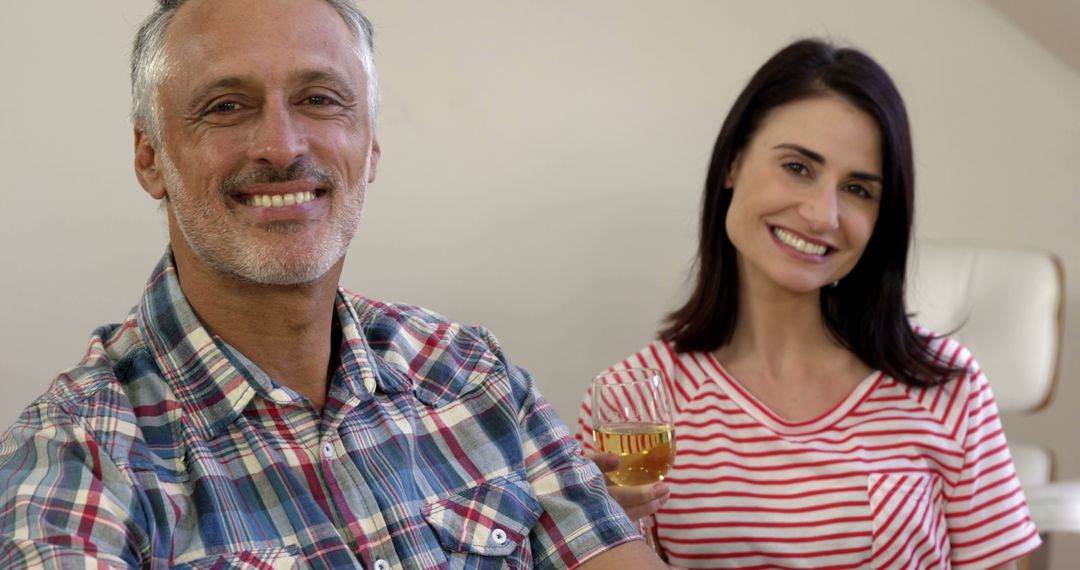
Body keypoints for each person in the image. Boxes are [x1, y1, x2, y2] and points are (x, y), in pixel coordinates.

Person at [0, 1, 668, 568]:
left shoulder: (469, 371)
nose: (283, 146)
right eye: (227, 106)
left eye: (319, 100)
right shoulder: (73, 463)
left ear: (370, 145)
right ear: (151, 158)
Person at [577, 39, 1041, 569]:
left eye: (858, 190)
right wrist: (587, 534)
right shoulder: (629, 409)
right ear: (732, 164)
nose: (823, 215)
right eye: (798, 167)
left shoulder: (949, 388)